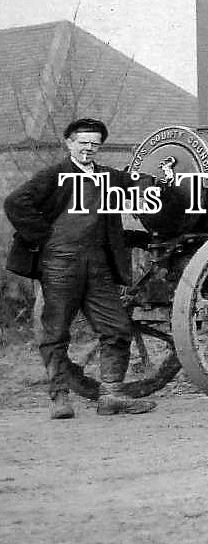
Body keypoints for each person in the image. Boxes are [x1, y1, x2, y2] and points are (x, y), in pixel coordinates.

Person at [4, 118, 157, 418]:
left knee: (117, 328)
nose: (89, 149)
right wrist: (43, 238)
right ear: (69, 143)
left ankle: (111, 396)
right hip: (60, 265)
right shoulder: (55, 175)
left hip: (98, 266)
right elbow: (15, 202)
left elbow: (136, 181)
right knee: (56, 332)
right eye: (83, 143)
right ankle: (59, 399)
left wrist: (160, 180)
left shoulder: (106, 177)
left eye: (94, 144)